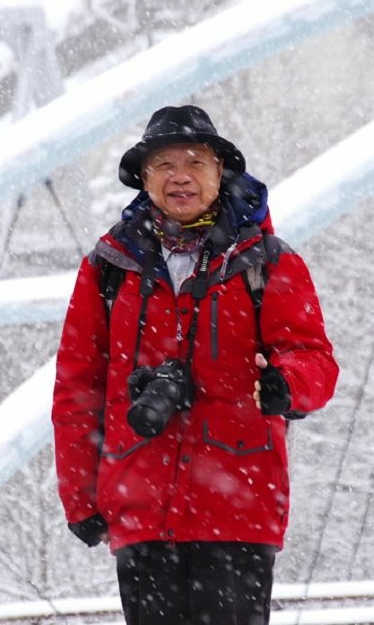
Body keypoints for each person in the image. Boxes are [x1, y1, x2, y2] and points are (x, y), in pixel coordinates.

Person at [51, 105, 338, 625]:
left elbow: (313, 357)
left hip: (237, 509)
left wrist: (286, 384)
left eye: (195, 162)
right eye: (163, 165)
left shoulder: (267, 261)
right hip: (140, 508)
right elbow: (77, 388)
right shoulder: (108, 268)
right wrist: (80, 496)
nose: (179, 176)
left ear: (219, 172)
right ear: (143, 178)